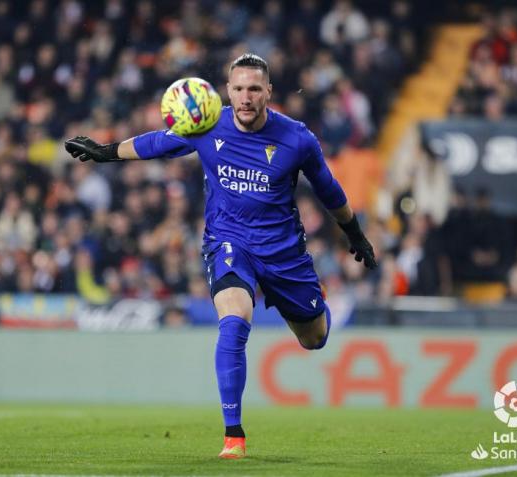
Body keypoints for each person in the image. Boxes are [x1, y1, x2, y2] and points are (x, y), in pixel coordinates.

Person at [65, 53, 376, 459]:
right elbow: (157, 142)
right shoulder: (208, 124)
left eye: (254, 89)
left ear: (268, 92)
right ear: (227, 91)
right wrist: (106, 152)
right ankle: (234, 435)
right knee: (234, 321)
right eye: (239, 89)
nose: (245, 97)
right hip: (229, 242)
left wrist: (354, 233)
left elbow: (329, 191)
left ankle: (306, 310)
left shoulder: (297, 138)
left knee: (313, 339)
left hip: (283, 252)